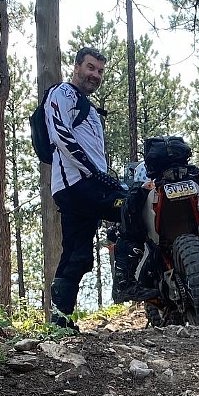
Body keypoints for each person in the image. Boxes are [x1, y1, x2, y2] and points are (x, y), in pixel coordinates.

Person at [45, 46, 153, 328]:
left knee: (77, 254)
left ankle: (61, 320)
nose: (95, 75)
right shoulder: (64, 93)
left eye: (100, 71)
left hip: (80, 186)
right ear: (76, 67)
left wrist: (102, 174)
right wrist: (93, 172)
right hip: (79, 184)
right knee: (134, 207)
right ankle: (126, 283)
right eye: (90, 68)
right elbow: (60, 134)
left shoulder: (86, 105)